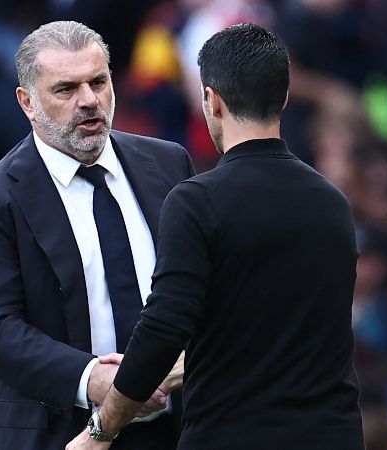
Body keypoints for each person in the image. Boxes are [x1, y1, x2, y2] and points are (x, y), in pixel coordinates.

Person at [67, 23, 365, 450]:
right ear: (282, 97)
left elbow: (163, 329)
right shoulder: (333, 203)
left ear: (212, 100)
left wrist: (102, 429)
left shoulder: (196, 201)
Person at [0, 20, 195, 449]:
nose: (89, 100)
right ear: (27, 102)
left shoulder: (168, 164)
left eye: (98, 82)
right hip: (60, 432)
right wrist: (96, 379)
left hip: (179, 429)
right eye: (66, 89)